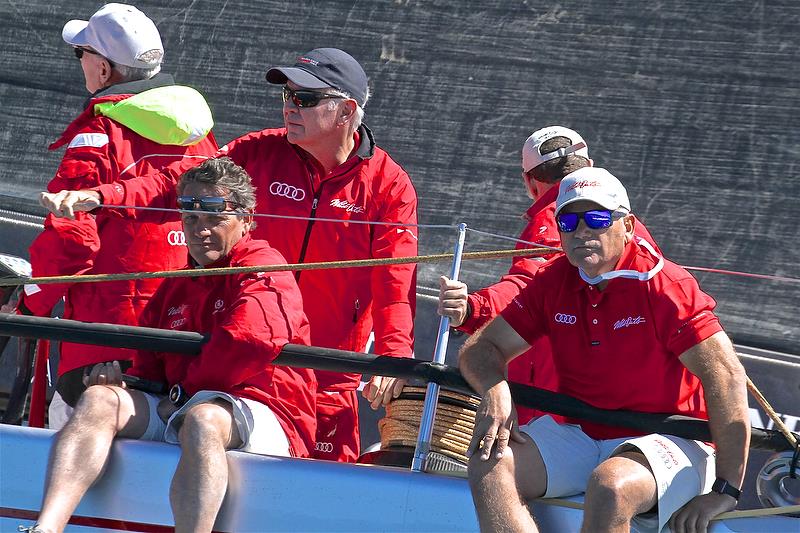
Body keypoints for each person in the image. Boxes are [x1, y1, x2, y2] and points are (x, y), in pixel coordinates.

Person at [40, 48, 418, 462]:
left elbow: (394, 282)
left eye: (304, 99)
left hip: (324, 376)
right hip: (239, 362)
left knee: (315, 500)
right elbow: (178, 183)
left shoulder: (389, 187)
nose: (290, 107)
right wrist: (101, 196)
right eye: (287, 96)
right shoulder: (259, 151)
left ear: (346, 111)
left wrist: (394, 356)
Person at [30, 157, 316, 533]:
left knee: (203, 418)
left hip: (268, 413)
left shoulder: (263, 265)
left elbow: (247, 341)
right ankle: (46, 528)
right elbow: (150, 370)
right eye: (191, 217)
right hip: (183, 405)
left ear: (246, 220)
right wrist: (125, 383)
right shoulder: (175, 287)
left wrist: (182, 394)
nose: (201, 229)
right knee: (101, 399)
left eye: (215, 215)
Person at [459, 167, 750, 533]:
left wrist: (725, 489)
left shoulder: (664, 285)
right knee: (490, 459)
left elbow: (726, 376)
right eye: (568, 220)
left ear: (627, 226)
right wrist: (496, 390)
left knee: (610, 486)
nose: (582, 231)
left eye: (596, 218)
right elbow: (481, 347)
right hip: (582, 434)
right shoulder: (553, 280)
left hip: (669, 439)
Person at [17, 3, 218, 429]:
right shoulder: (202, 136)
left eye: (82, 54)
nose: (81, 64)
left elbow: (71, 242)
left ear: (104, 71)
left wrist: (31, 303)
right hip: (185, 343)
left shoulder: (99, 134)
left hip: (103, 341)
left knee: (57, 457)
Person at [438, 126, 660, 424]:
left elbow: (526, 285)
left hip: (558, 392)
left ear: (530, 182)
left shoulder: (553, 221)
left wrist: (471, 308)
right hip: (624, 388)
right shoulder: (625, 224)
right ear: (590, 166)